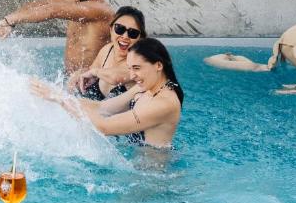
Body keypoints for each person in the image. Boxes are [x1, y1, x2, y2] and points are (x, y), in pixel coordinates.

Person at [31, 38, 183, 148]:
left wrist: (60, 100)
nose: (132, 75)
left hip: (153, 177)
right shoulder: (144, 88)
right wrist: (57, 94)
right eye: (130, 68)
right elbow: (101, 108)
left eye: (137, 68)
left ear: (158, 65)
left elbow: (103, 127)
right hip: (136, 166)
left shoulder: (164, 104)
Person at [69, 6, 147, 100]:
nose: (125, 36)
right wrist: (78, 75)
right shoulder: (107, 50)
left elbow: (116, 78)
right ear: (111, 29)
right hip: (95, 107)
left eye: (133, 33)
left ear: (140, 39)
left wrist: (95, 72)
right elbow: (90, 70)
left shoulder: (141, 61)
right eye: (119, 29)